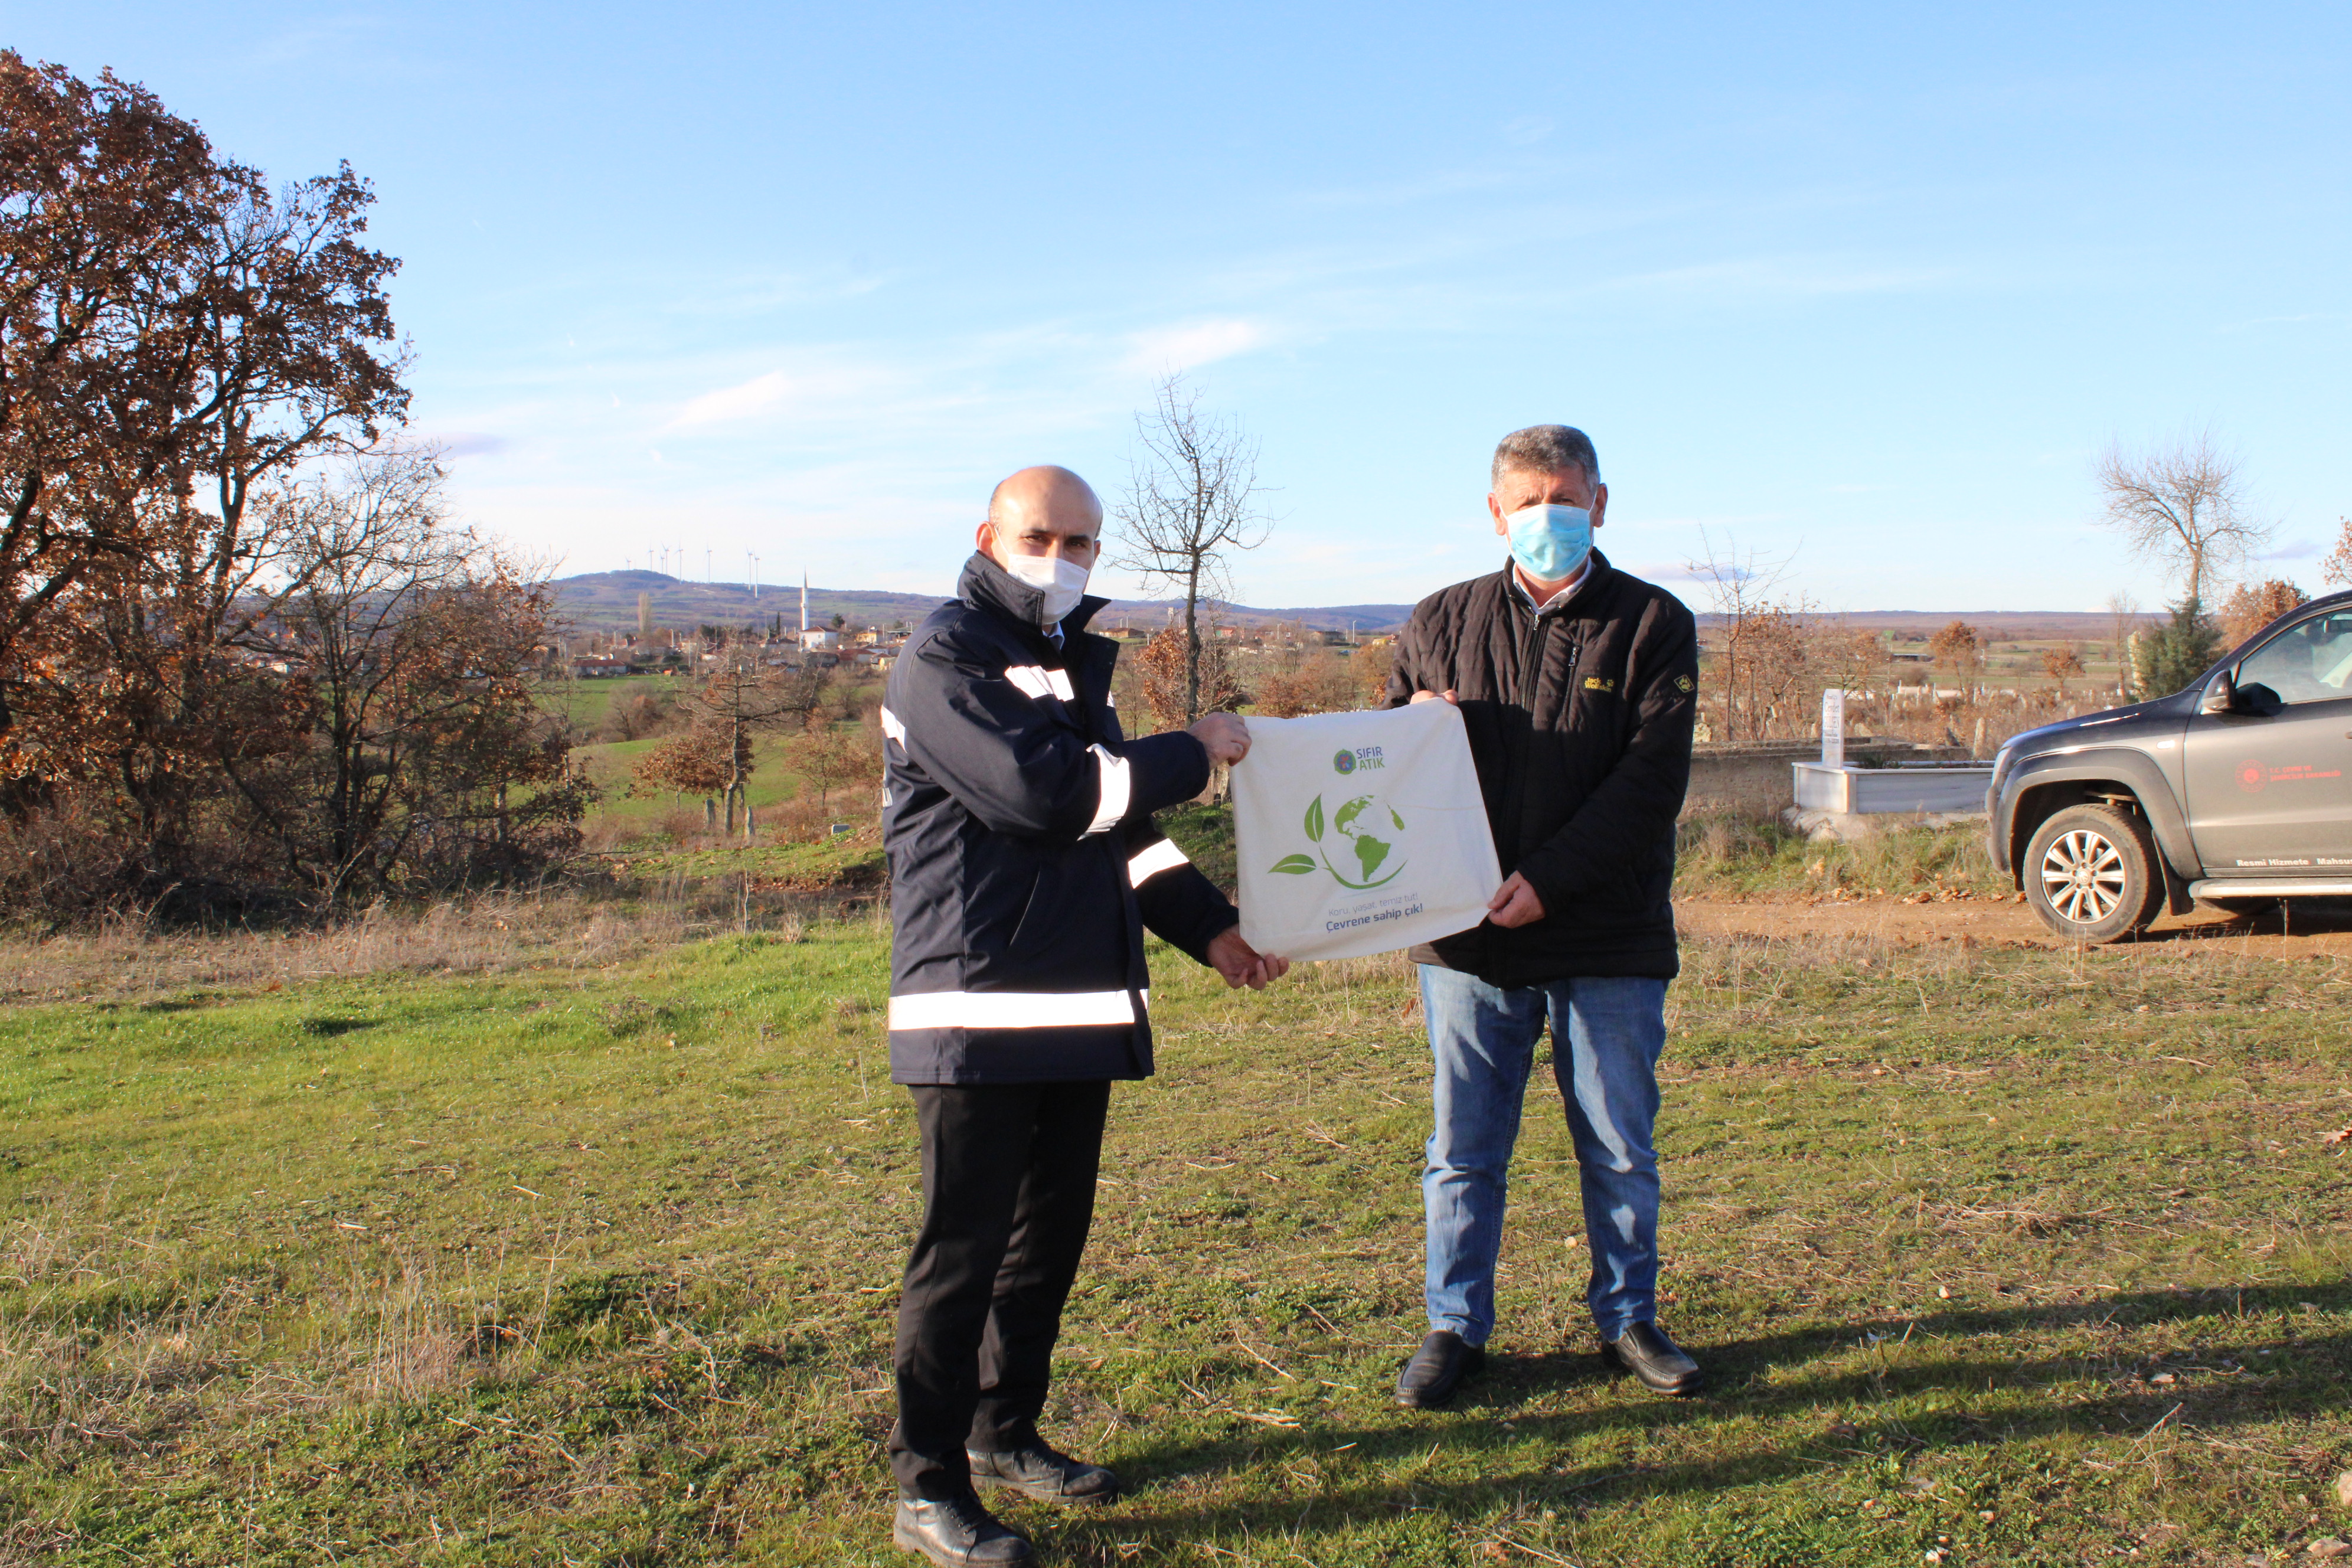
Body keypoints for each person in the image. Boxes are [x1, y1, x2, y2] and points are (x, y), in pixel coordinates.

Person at [879, 465, 1289, 1566]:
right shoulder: (943, 659)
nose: (1062, 558)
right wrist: (1195, 749)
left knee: (1043, 1251)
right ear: (988, 535)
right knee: (960, 1259)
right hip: (975, 1014)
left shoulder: (1070, 665)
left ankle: (1005, 1434)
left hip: (1079, 1009)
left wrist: (1213, 931)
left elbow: (1119, 832)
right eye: (1042, 535)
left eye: (1084, 545)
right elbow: (1050, 796)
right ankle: (927, 1486)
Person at [1381, 424, 1702, 1410]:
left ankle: (1628, 1317)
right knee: (1463, 1148)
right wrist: (1407, 728)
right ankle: (1453, 1327)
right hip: (1468, 937)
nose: (1547, 518)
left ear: (1601, 503)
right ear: (1495, 512)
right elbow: (1386, 766)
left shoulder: (1652, 623)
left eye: (1566, 498)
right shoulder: (1438, 620)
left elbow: (1649, 782)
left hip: (1605, 931)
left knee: (1617, 1141)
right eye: (1528, 501)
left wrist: (1553, 880)